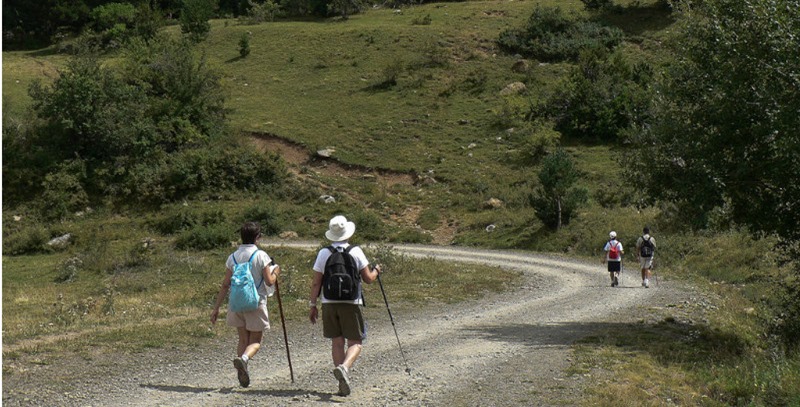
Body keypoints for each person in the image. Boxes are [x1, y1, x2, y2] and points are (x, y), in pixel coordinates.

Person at [308, 215, 381, 396]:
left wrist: (312, 305)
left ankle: (341, 380)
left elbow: (316, 283)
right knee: (356, 342)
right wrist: (377, 270)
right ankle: (345, 368)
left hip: (329, 303)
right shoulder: (355, 252)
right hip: (351, 302)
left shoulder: (324, 253)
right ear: (348, 233)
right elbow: (369, 279)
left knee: (337, 342)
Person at [211, 221, 281, 388]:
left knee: (243, 339)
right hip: (256, 302)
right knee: (255, 340)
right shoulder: (261, 256)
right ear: (257, 237)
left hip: (236, 303)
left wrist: (216, 308)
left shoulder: (232, 257)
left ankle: (242, 367)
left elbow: (225, 284)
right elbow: (270, 281)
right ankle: (244, 359)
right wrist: (276, 270)